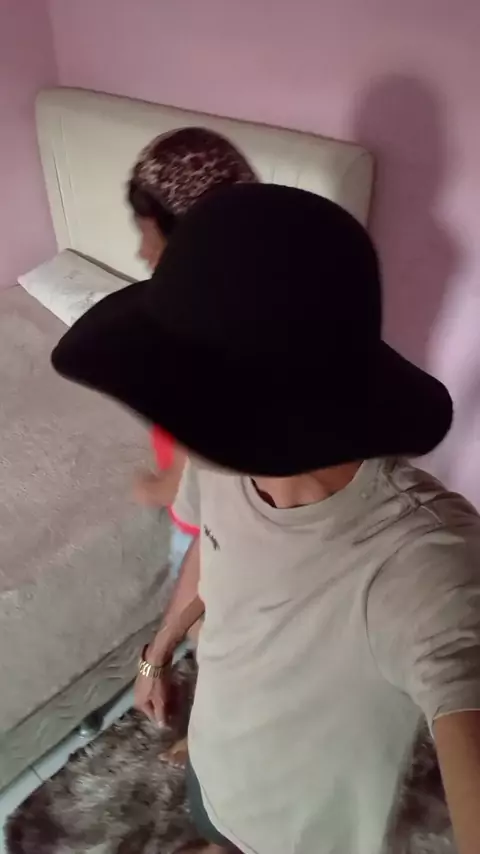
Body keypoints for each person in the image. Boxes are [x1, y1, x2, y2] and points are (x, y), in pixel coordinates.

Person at [51, 183, 480, 854]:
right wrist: (157, 655)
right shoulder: (224, 462)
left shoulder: (422, 562)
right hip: (213, 768)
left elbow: (461, 687)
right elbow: (213, 554)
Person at [127, 127, 257, 764]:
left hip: (210, 525)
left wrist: (162, 486)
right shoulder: (224, 306)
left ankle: (214, 737)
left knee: (217, 637)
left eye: (148, 233)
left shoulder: (212, 336)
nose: (140, 251)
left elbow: (199, 443)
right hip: (204, 517)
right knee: (209, 629)